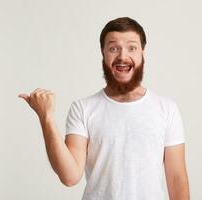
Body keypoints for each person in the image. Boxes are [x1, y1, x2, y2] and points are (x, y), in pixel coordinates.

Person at [18, 17, 190, 200]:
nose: (123, 56)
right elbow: (70, 176)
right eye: (113, 48)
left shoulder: (166, 108)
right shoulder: (83, 108)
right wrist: (47, 118)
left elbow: (177, 179)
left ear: (143, 53)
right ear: (103, 53)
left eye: (132, 47)